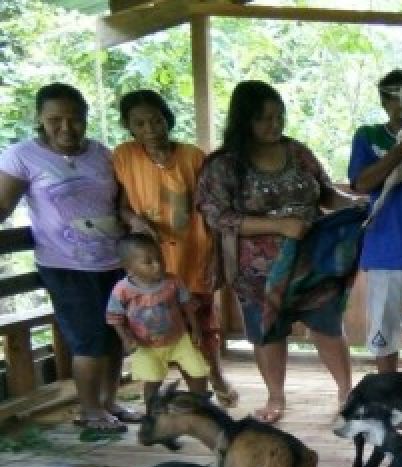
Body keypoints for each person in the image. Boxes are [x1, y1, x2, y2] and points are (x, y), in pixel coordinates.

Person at [197, 80, 360, 424]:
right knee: (267, 331)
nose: (274, 125)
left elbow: (324, 192)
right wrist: (277, 226)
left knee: (327, 325)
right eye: (263, 119)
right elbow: (217, 216)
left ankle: (347, 392)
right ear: (244, 121)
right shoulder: (224, 165)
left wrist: (354, 206)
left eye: (278, 116)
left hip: (314, 264)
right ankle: (275, 398)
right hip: (257, 274)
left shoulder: (298, 152)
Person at [0, 83, 135, 433]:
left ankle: (109, 402)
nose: (65, 127)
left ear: (86, 118)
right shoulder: (21, 155)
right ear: (39, 120)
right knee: (88, 338)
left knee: (114, 334)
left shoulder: (102, 153)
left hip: (114, 260)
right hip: (66, 265)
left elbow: (120, 201)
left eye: (74, 119)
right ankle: (90, 410)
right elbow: (2, 205)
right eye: (54, 119)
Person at [113, 89, 236, 408]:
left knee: (203, 323)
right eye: (139, 123)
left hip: (194, 253)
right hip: (150, 260)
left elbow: (211, 208)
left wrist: (218, 256)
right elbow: (122, 206)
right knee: (155, 322)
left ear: (167, 118)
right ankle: (164, 392)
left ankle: (215, 378)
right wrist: (135, 221)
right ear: (129, 127)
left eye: (155, 120)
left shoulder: (192, 156)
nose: (150, 129)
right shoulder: (125, 156)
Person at [348, 69, 402, 374]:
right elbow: (361, 184)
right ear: (385, 101)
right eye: (397, 98)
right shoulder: (368, 136)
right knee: (384, 337)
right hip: (388, 251)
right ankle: (388, 403)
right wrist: (398, 153)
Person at [106, 234, 209, 406]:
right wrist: (126, 338)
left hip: (179, 339)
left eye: (160, 258)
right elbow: (115, 318)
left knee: (198, 372)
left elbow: (187, 305)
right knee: (153, 380)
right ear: (129, 268)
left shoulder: (173, 281)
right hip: (146, 346)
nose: (158, 265)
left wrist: (195, 329)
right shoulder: (122, 290)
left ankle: (201, 406)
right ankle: (152, 413)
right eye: (148, 262)